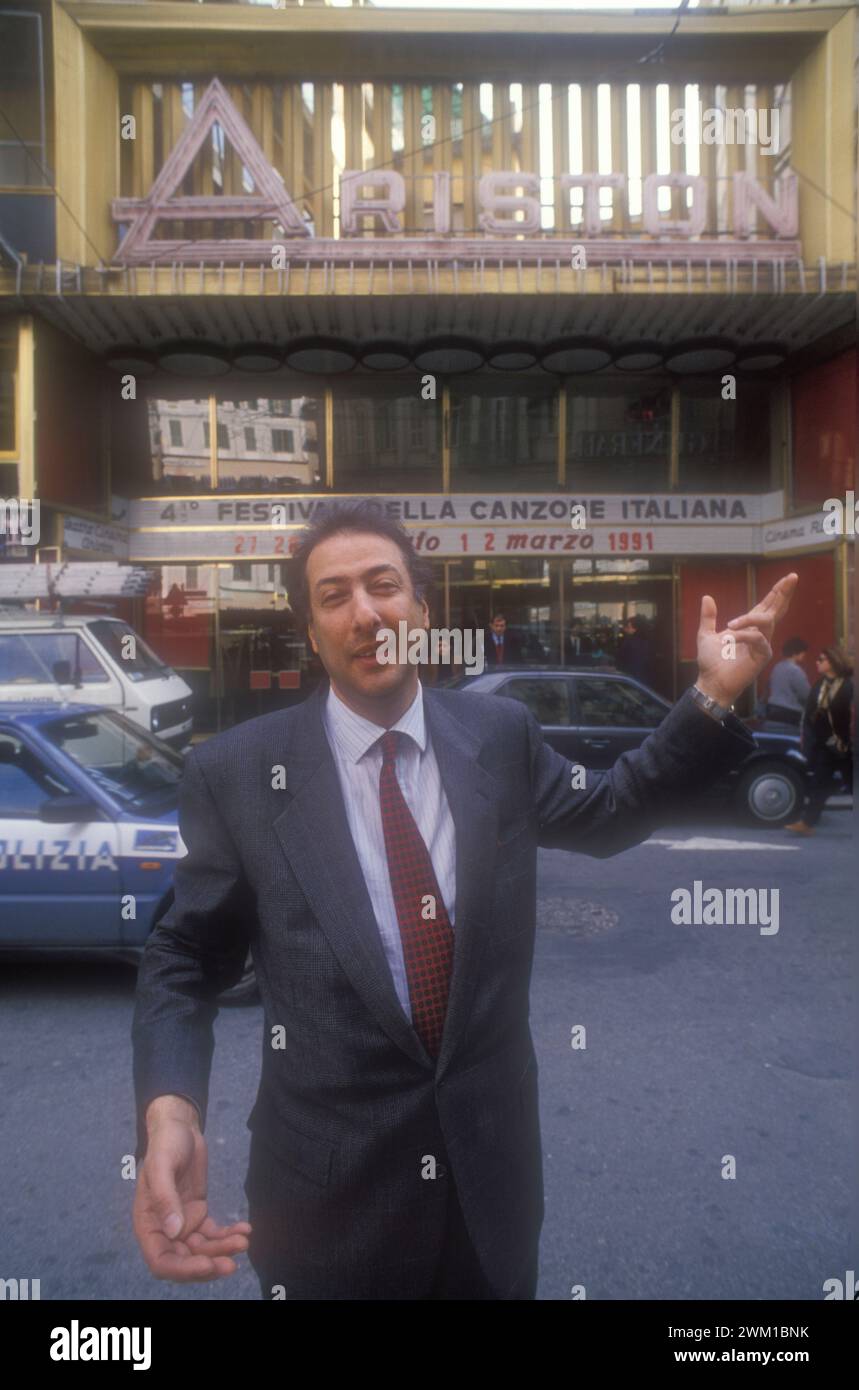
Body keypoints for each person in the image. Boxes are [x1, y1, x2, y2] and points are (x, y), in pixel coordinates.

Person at [131, 500, 798, 1300]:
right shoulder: (239, 772)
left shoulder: (497, 736)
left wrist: (712, 696)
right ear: (310, 631)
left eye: (383, 586)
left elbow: (611, 811)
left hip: (491, 1189)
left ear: (422, 608)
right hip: (324, 1209)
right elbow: (182, 955)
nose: (366, 612)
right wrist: (171, 1110)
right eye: (334, 595)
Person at [784, 645, 853, 836]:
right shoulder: (820, 684)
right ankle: (807, 824)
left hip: (844, 745)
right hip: (825, 744)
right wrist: (806, 734)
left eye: (821, 659)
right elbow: (810, 712)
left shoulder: (847, 685)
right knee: (819, 783)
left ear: (833, 662)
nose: (817, 662)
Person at [765, 637, 811, 726]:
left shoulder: (777, 667)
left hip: (772, 708)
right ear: (795, 653)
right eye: (802, 652)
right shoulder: (796, 670)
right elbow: (805, 694)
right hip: (790, 712)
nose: (804, 655)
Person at [616, 615, 653, 685]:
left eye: (629, 627)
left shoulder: (631, 641)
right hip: (643, 677)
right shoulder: (647, 641)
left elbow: (621, 657)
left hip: (632, 676)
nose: (626, 629)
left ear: (636, 628)